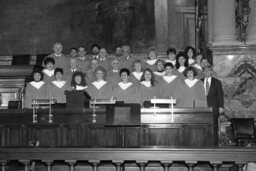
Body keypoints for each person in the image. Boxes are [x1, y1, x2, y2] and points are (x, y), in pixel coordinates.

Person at [202, 65, 224, 145]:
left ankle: (214, 145)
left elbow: (220, 95)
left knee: (214, 126)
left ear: (211, 72)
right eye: (205, 70)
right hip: (202, 108)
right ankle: (203, 144)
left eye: (208, 70)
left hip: (214, 107)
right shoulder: (199, 81)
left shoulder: (217, 82)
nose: (207, 72)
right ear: (203, 72)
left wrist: (221, 106)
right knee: (203, 127)